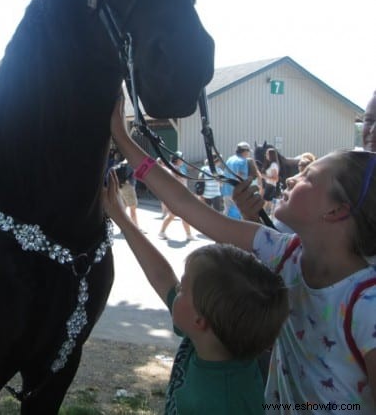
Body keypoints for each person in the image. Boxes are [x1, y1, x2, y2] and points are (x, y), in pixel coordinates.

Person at [109, 96, 376, 413]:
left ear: (336, 210)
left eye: (309, 178)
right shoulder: (284, 252)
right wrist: (123, 140)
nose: (291, 178)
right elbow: (185, 205)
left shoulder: (367, 304)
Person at [102, 168, 288, 414]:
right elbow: (160, 275)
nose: (176, 289)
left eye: (183, 289)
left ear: (200, 320)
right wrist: (120, 216)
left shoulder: (224, 402)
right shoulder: (210, 334)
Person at [158, 153, 196, 241]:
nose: (183, 160)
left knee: (173, 215)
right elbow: (180, 182)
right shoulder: (175, 169)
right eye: (182, 159)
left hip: (176, 196)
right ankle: (188, 235)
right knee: (183, 216)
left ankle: (162, 232)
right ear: (178, 160)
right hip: (178, 197)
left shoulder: (170, 167)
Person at [220, 141, 251, 219]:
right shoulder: (243, 161)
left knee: (226, 211)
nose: (248, 154)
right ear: (245, 151)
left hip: (226, 190)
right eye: (248, 151)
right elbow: (242, 178)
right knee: (239, 214)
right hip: (237, 192)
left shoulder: (230, 159)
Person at [261, 147, 280, 216]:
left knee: (266, 205)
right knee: (267, 205)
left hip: (271, 186)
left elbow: (275, 178)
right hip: (269, 186)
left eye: (267, 154)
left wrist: (264, 176)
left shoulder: (273, 165)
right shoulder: (271, 164)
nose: (266, 155)